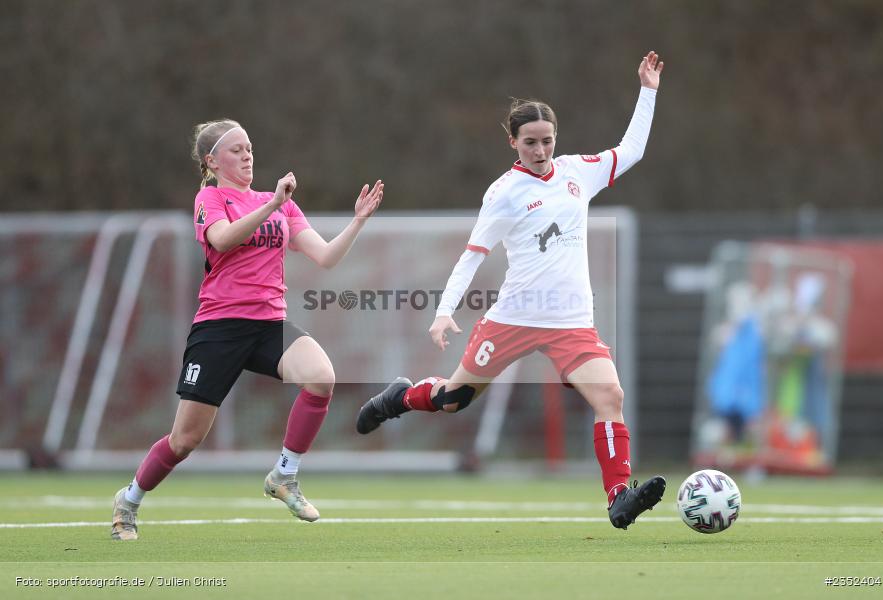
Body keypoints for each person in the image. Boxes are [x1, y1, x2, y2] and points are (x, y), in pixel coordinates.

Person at [357, 52, 665, 530]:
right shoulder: (503, 193)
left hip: (570, 320)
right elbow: (473, 255)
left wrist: (648, 90)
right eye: (530, 143)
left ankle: (619, 497)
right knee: (453, 400)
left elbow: (632, 151)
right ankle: (399, 397)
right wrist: (442, 313)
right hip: (515, 317)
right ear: (513, 143)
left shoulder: (576, 171)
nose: (540, 151)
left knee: (610, 396)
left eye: (547, 141)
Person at [111, 119, 383, 540]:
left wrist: (358, 221)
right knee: (184, 440)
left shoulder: (278, 202)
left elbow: (326, 256)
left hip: (268, 323)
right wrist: (272, 204)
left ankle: (284, 475)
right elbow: (221, 240)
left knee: (321, 377)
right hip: (219, 326)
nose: (246, 155)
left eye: (249, 148)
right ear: (212, 161)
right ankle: (128, 501)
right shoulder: (211, 197)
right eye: (236, 150)